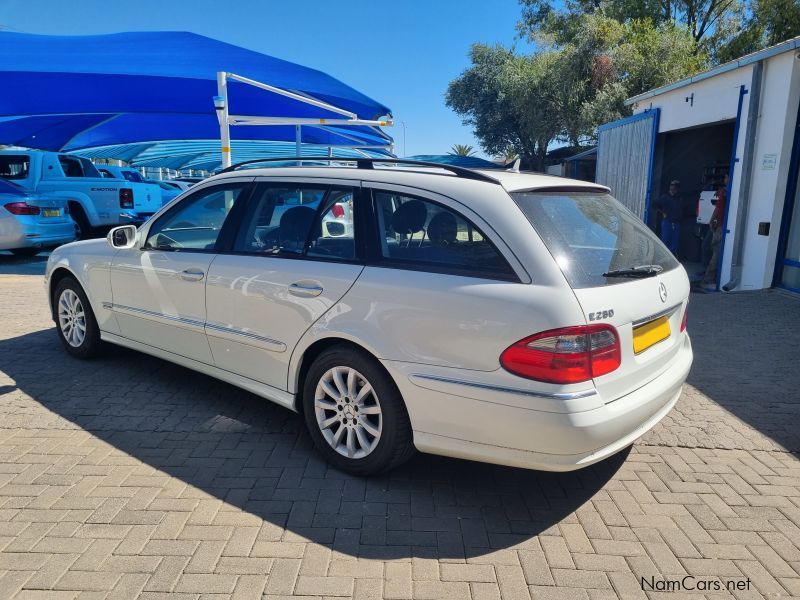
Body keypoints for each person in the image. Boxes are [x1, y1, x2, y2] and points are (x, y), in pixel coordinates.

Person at [701, 174, 728, 291]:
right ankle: (710, 275)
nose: (724, 179)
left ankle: (708, 278)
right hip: (722, 225)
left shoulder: (724, 192)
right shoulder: (726, 191)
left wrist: (711, 220)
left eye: (726, 177)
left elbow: (718, 209)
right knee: (714, 250)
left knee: (715, 252)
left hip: (721, 226)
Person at [655, 180, 684, 256]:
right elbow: (654, 205)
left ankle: (672, 258)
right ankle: (662, 258)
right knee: (665, 241)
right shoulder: (665, 197)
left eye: (676, 186)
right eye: (672, 185)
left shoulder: (679, 197)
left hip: (677, 223)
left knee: (675, 243)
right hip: (667, 223)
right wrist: (662, 212)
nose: (674, 187)